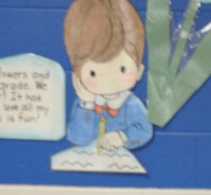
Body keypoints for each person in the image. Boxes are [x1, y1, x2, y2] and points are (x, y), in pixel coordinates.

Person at [63, 0, 153, 152]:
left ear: (139, 71)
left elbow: (145, 131)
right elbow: (77, 138)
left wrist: (123, 137)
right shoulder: (85, 103)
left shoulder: (131, 104)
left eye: (122, 69)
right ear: (77, 74)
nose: (107, 80)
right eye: (93, 73)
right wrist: (86, 105)